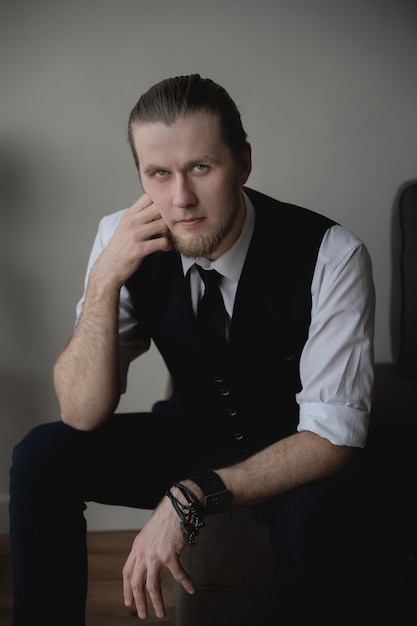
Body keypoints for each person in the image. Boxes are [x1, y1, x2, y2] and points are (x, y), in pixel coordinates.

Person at [9, 74, 375, 626]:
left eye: (201, 168)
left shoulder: (333, 254)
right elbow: (80, 413)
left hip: (290, 449)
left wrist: (192, 496)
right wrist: (106, 280)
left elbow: (334, 435)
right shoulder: (120, 237)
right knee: (41, 455)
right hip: (187, 432)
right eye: (158, 174)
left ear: (244, 163)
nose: (179, 199)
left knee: (319, 516)